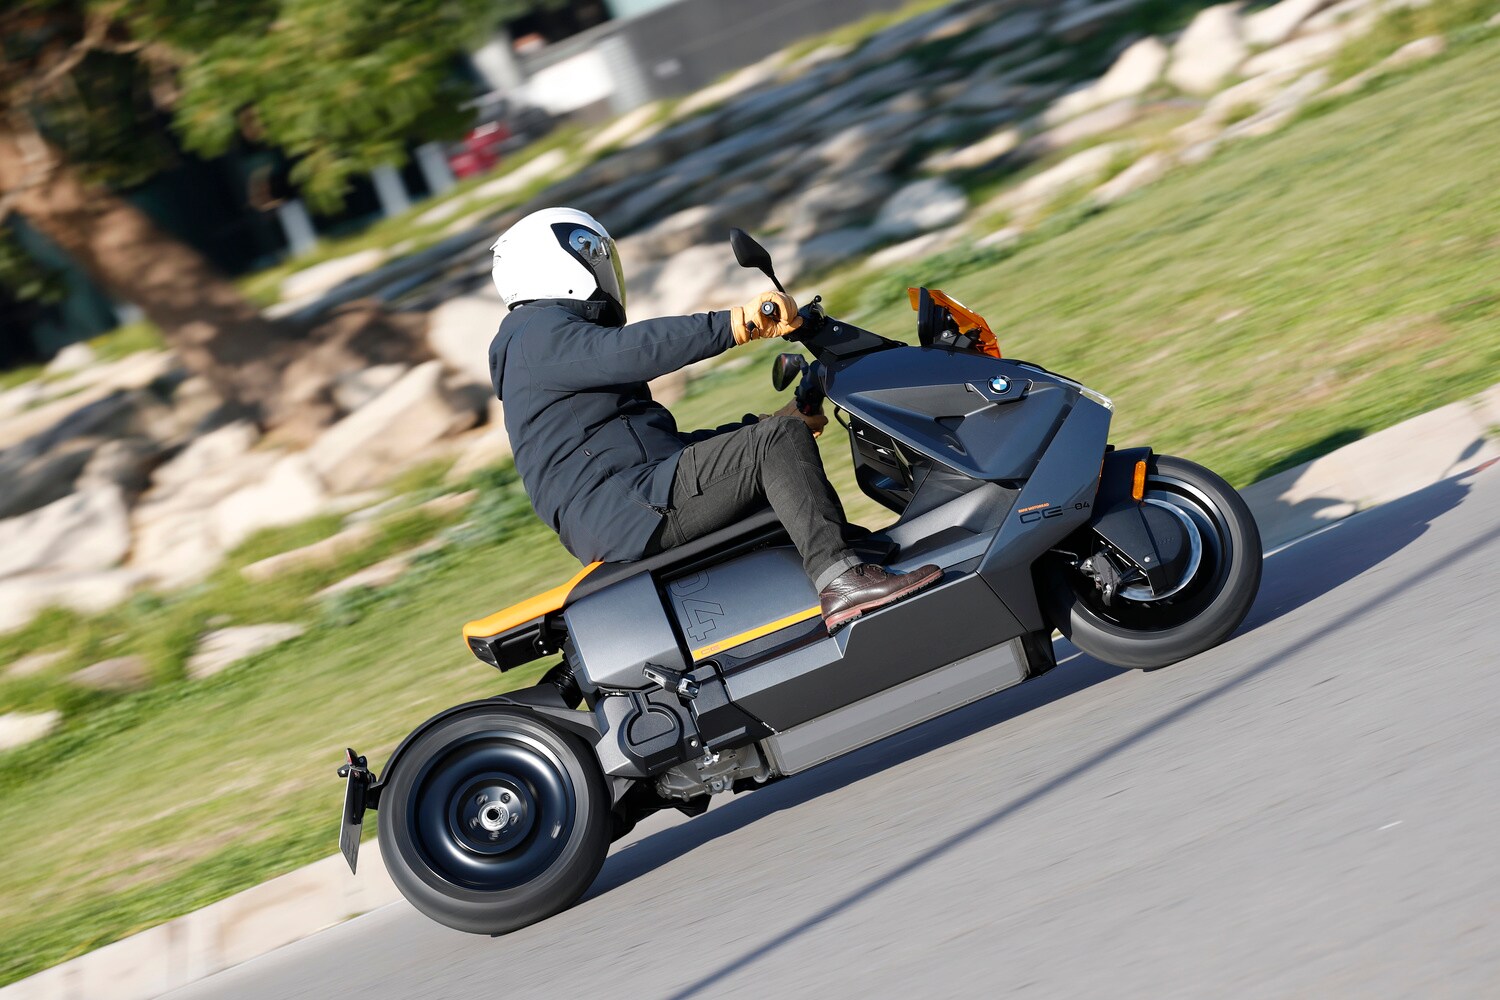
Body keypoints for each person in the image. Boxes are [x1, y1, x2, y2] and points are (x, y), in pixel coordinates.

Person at [487, 207, 940, 631]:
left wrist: (763, 422)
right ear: (549, 264)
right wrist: (740, 322)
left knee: (773, 437)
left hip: (631, 500)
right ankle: (842, 580)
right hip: (631, 507)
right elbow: (636, 349)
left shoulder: (544, 344)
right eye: (590, 253)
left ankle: (870, 558)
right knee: (774, 442)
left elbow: (664, 450)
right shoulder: (535, 333)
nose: (603, 267)